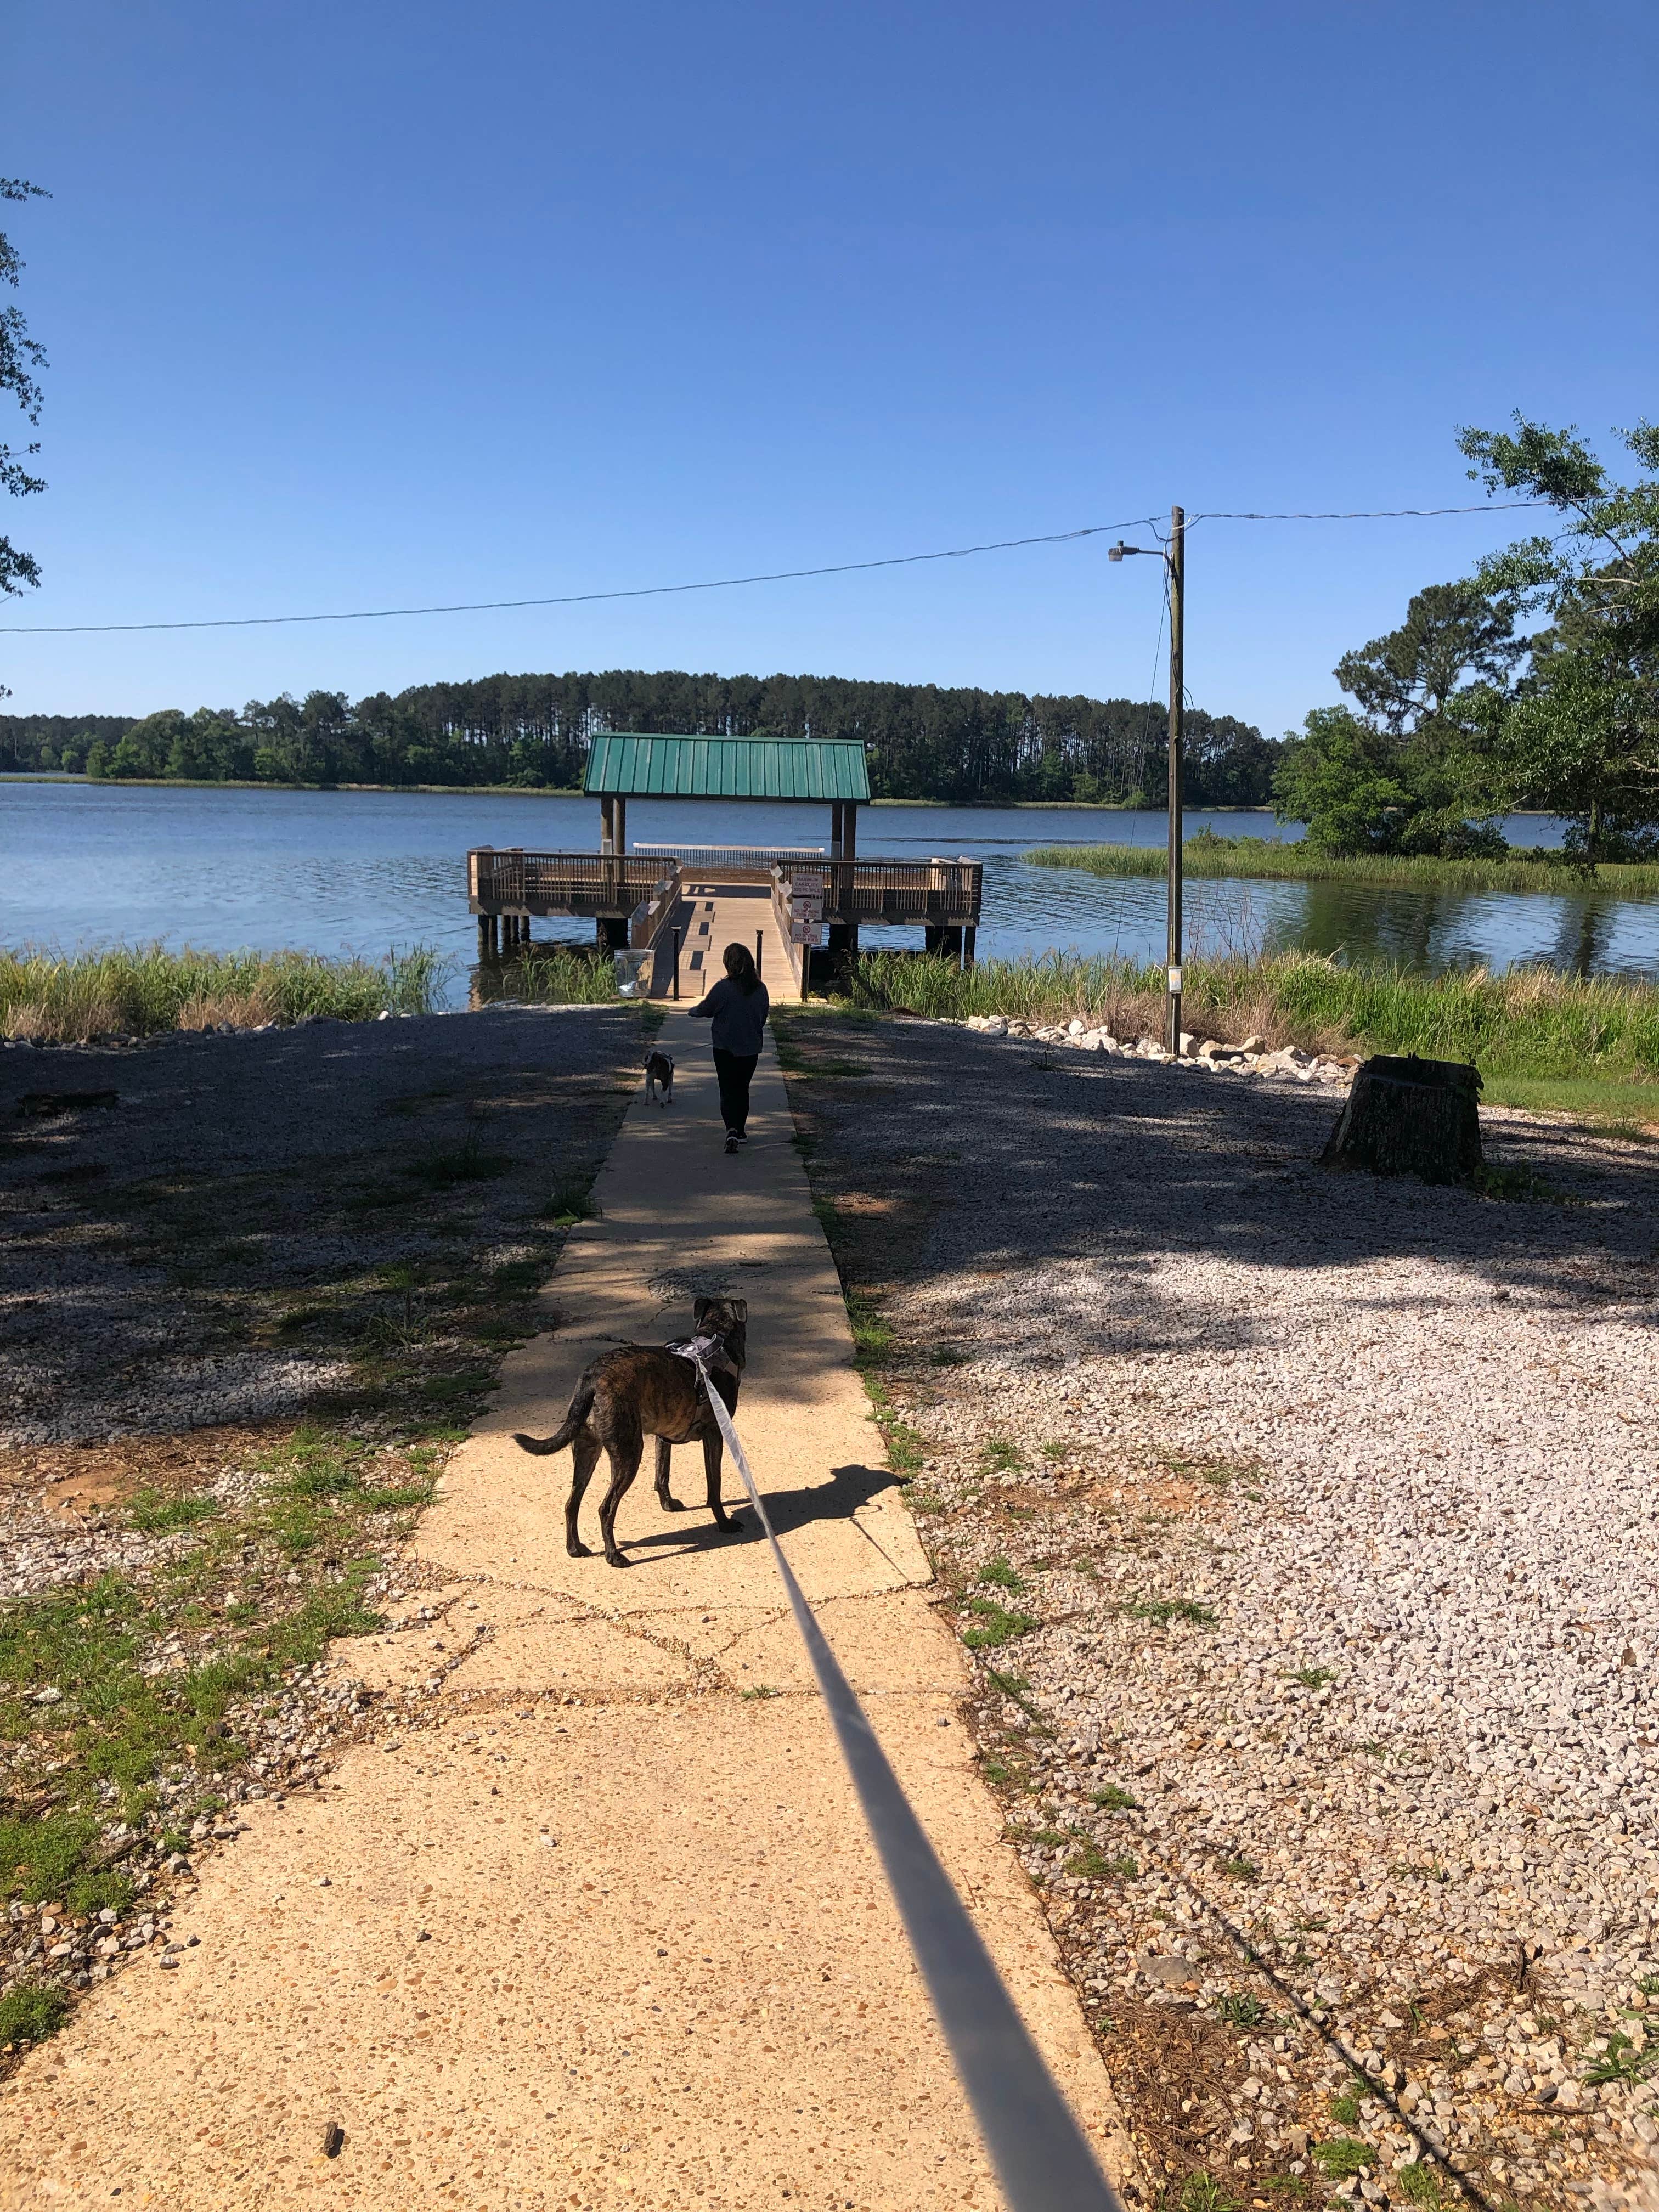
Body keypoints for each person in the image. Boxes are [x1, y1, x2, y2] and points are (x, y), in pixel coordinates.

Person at [689, 941, 770, 1154]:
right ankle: (741, 1131)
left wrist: (693, 1011)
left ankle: (731, 1129)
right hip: (750, 1048)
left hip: (724, 1048)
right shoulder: (760, 989)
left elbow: (706, 1009)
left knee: (727, 1088)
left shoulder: (723, 988)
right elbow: (763, 1017)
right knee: (742, 1088)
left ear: (728, 964)